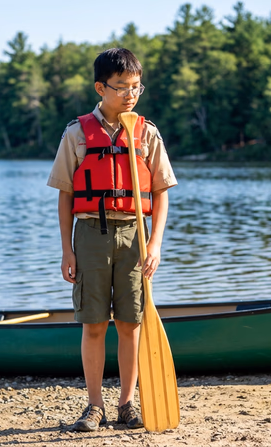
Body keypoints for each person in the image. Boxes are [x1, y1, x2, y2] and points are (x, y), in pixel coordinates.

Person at [46, 48, 178, 431]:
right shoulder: (76, 133)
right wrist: (66, 249)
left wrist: (155, 244)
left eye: (136, 87)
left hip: (134, 236)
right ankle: (94, 406)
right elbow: (65, 194)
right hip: (90, 234)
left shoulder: (147, 132)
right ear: (100, 87)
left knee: (130, 323)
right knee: (93, 324)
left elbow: (161, 192)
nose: (130, 95)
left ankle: (126, 404)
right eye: (122, 88)